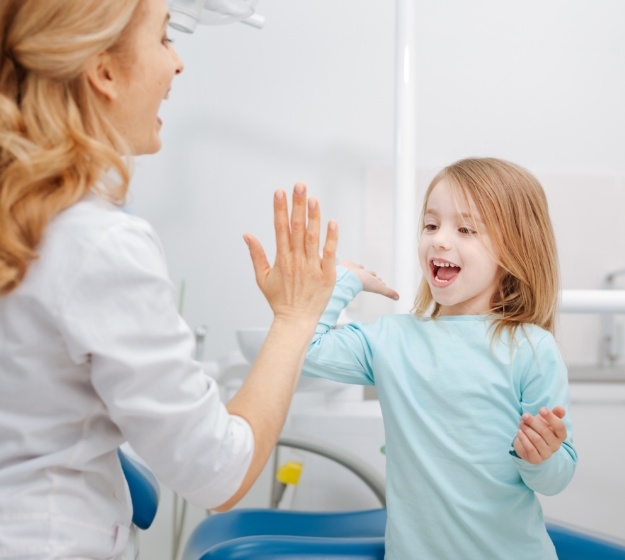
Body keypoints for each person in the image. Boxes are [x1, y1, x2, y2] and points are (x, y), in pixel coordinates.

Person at [0, 0, 338, 558]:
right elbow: (218, 471)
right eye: (163, 39)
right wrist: (296, 317)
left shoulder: (33, 221)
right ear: (104, 69)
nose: (177, 64)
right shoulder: (98, 242)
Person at [303, 157, 578, 559]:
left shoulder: (532, 349)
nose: (440, 240)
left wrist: (540, 458)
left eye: (465, 229)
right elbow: (305, 349)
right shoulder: (391, 340)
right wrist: (345, 281)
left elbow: (556, 478)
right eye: (431, 225)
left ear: (514, 250)